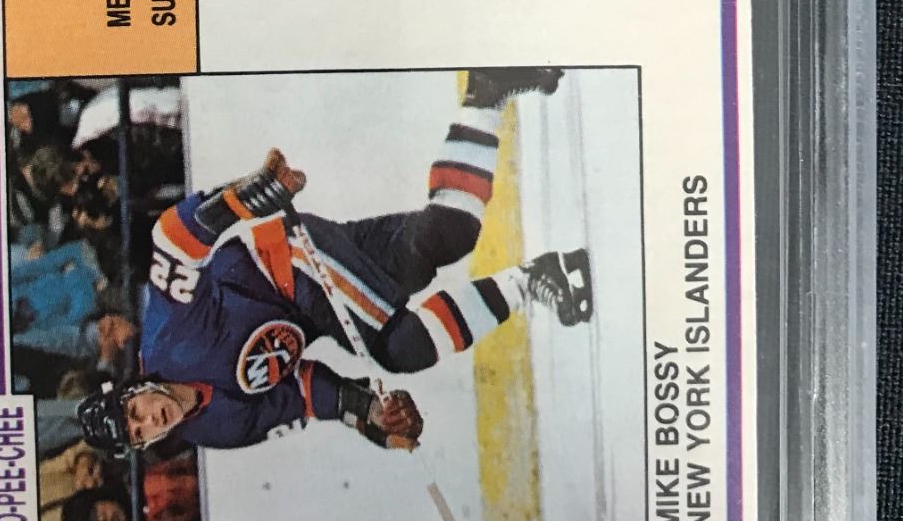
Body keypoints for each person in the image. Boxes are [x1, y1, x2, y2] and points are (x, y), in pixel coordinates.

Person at [76, 68, 592, 460]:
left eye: (135, 412)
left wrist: (248, 196)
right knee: (449, 233)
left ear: (133, 388)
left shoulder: (168, 338)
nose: (149, 421)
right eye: (139, 434)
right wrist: (374, 417)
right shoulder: (217, 430)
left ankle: (537, 280)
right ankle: (487, 94)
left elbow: (172, 239)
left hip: (293, 262)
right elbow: (304, 393)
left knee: (401, 347)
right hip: (316, 302)